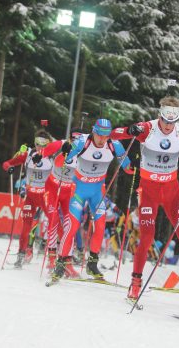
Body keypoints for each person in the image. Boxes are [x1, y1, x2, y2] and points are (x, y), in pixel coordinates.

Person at [111, 96, 179, 299]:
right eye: (165, 121)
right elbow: (114, 134)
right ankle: (135, 282)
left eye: (172, 122)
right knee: (146, 236)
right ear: (159, 116)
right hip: (149, 190)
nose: (168, 126)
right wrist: (130, 130)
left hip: (171, 190)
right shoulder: (147, 128)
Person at [51, 119, 134, 282]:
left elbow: (128, 167)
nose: (102, 139)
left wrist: (135, 164)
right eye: (99, 135)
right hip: (79, 189)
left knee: (101, 225)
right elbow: (64, 161)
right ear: (93, 132)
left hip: (98, 191)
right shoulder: (82, 141)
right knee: (73, 226)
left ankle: (92, 264)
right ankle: (60, 264)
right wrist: (66, 151)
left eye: (105, 136)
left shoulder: (114, 145)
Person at [29, 130, 81, 270]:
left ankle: (67, 261)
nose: (75, 141)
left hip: (68, 191)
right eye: (73, 138)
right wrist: (39, 156)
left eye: (79, 139)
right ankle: (51, 258)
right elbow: (47, 150)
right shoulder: (62, 144)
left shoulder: (84, 150)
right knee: (53, 220)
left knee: (70, 225)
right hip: (52, 189)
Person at [2, 130, 53, 268]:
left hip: (46, 197)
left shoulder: (52, 157)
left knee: (54, 224)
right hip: (30, 197)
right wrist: (9, 169)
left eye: (43, 145)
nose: (40, 147)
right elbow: (7, 163)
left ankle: (56, 259)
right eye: (37, 144)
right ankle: (21, 256)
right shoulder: (28, 155)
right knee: (26, 227)